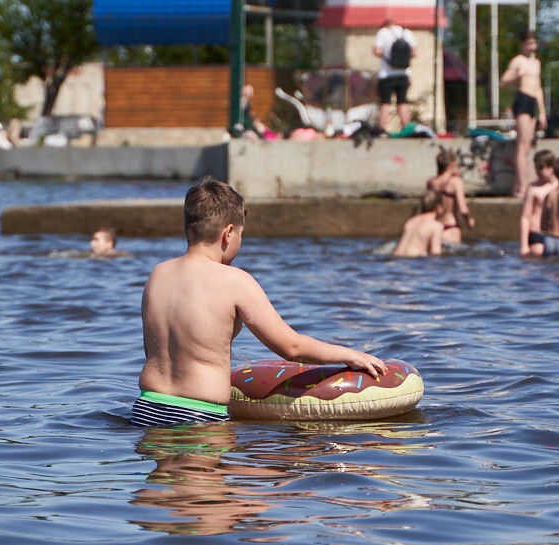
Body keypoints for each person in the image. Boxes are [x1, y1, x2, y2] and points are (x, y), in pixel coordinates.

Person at [131, 177, 386, 427]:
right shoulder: (235, 280)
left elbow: (159, 349)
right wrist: (349, 354)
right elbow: (291, 347)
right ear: (228, 233)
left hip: (146, 410)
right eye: (241, 235)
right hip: (200, 416)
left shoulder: (158, 274)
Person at [500, 29, 547, 197]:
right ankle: (521, 187)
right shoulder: (517, 61)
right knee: (522, 145)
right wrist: (515, 75)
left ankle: (520, 185)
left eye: (534, 43)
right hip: (523, 100)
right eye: (528, 43)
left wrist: (542, 112)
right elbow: (502, 82)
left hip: (532, 101)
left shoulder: (536, 63)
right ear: (522, 44)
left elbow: (538, 88)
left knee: (527, 147)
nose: (532, 46)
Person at [372, 18, 416, 131]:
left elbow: (377, 51)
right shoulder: (407, 33)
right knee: (402, 102)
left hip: (387, 74)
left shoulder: (383, 33)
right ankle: (407, 129)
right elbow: (414, 53)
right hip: (404, 74)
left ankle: (381, 129)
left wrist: (386, 55)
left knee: (385, 102)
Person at [425, 148, 474, 245]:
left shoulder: (431, 182)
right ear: (452, 164)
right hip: (450, 228)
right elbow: (463, 209)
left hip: (435, 227)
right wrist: (469, 220)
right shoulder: (456, 182)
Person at [519, 149, 558, 256]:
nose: (538, 172)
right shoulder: (533, 188)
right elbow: (525, 217)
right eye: (536, 168)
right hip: (536, 232)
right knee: (538, 253)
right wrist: (524, 245)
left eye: (542, 168)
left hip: (555, 233)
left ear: (551, 168)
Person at [392, 190, 444, 257]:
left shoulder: (410, 221)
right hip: (414, 260)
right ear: (439, 207)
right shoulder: (436, 226)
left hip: (396, 257)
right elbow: (436, 252)